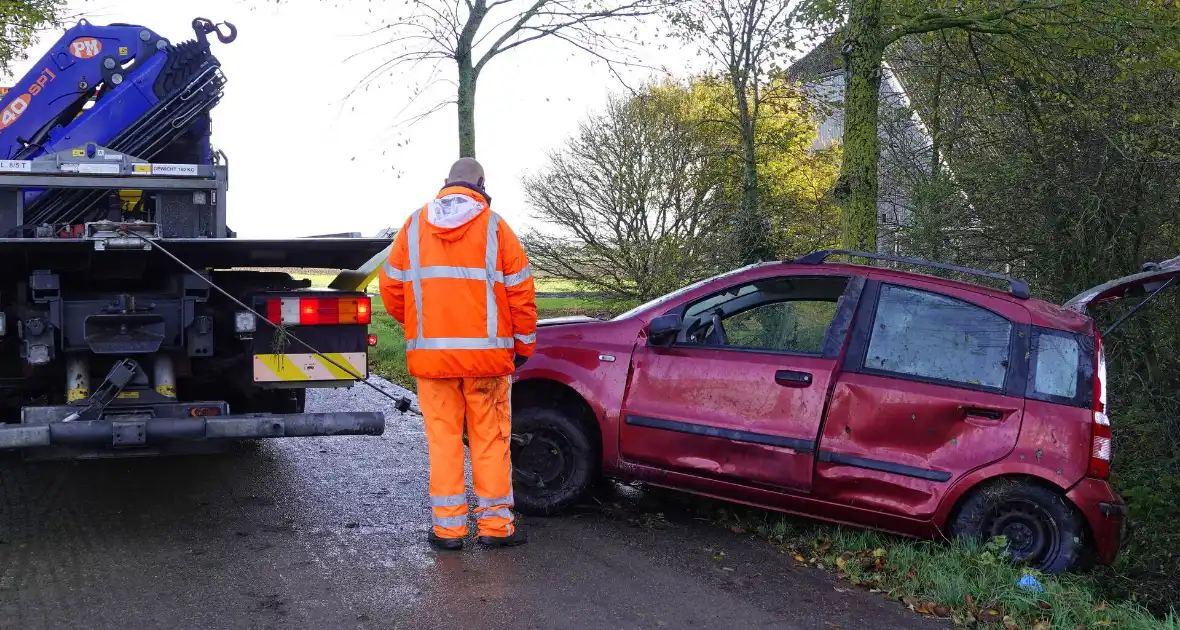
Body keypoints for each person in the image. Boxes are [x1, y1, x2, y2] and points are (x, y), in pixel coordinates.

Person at [378, 157, 537, 550]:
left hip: (433, 362)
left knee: (444, 442)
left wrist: (421, 327)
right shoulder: (496, 228)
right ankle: (497, 528)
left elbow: (392, 289)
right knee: (490, 440)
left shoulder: (414, 226)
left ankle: (448, 532)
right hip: (487, 363)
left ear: (445, 182)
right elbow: (521, 293)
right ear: (481, 184)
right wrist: (523, 347)